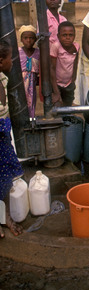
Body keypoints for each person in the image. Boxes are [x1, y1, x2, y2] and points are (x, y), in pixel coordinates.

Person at [0, 40, 24, 240]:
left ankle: (5, 216)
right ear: (1, 61)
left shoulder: (3, 79)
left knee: (5, 177)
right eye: (10, 59)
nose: (13, 63)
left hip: (3, 136)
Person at [50, 21, 79, 107]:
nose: (67, 38)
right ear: (58, 36)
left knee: (68, 105)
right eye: (64, 35)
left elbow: (75, 63)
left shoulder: (76, 46)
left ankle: (67, 119)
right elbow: (52, 68)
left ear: (74, 36)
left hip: (69, 83)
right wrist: (55, 91)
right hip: (56, 83)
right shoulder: (56, 46)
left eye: (71, 35)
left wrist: (73, 80)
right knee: (57, 105)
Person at [18, 25, 40, 118]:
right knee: (19, 105)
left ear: (35, 39)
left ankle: (30, 124)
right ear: (21, 39)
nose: (28, 40)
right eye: (25, 38)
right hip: (20, 85)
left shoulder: (38, 52)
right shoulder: (17, 52)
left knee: (31, 104)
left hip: (32, 86)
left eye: (31, 38)